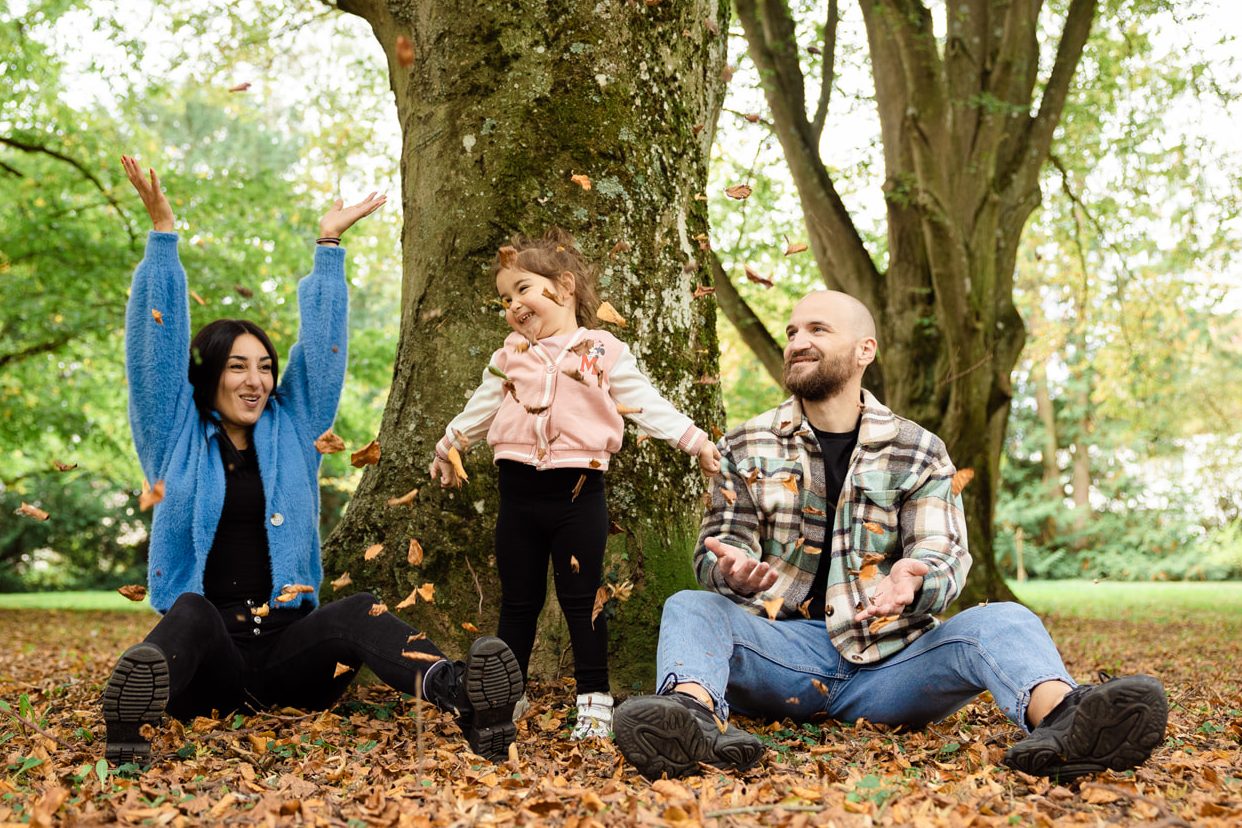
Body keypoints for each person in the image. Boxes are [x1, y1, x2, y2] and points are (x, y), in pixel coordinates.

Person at [614, 290, 1168, 781]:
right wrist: (729, 571)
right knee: (690, 606)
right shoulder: (743, 445)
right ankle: (692, 723)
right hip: (780, 656)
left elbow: (943, 551)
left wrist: (914, 579)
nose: (797, 342)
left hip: (893, 664)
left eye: (817, 329)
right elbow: (721, 544)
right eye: (792, 331)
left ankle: (1067, 723)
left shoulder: (919, 449)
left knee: (1003, 619)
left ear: (865, 350)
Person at [103, 156, 523, 765]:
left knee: (357, 608)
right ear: (209, 374)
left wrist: (329, 247)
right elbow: (156, 349)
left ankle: (467, 699)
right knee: (190, 611)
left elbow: (323, 354)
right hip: (207, 667)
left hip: (292, 661)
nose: (255, 380)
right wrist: (163, 238)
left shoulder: (294, 427)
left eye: (265, 367)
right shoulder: (174, 434)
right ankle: (129, 725)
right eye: (237, 367)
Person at [429, 229, 721, 739]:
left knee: (583, 600)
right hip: (517, 494)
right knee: (518, 600)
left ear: (564, 287)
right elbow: (483, 405)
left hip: (579, 494)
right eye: (505, 299)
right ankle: (506, 697)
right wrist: (449, 445)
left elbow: (644, 403)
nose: (513, 305)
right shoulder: (510, 354)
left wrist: (695, 441)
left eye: (523, 289)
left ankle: (594, 698)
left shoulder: (601, 349)